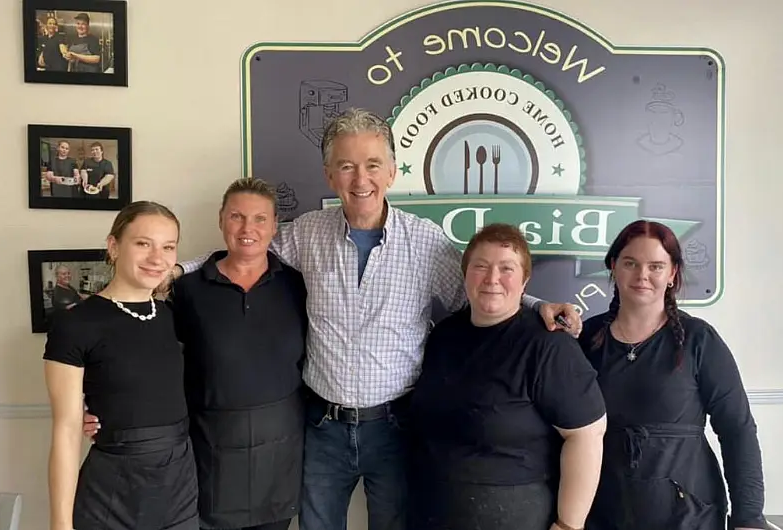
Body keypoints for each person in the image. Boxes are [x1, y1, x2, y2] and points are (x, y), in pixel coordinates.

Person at [163, 108, 581, 530]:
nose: (360, 180)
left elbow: (481, 290)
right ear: (329, 175)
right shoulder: (307, 233)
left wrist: (533, 304)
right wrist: (179, 270)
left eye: (372, 165)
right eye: (346, 166)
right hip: (322, 427)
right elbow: (245, 250)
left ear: (392, 173)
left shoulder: (425, 241)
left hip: (397, 427)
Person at [408, 223, 607, 530]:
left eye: (506, 268)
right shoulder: (444, 336)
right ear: (465, 276)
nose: (492, 278)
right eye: (481, 266)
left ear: (525, 281)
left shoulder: (548, 345)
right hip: (432, 511)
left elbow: (586, 435)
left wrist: (569, 525)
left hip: (515, 514)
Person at [578, 220, 767, 530]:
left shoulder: (699, 340)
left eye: (656, 266)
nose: (642, 275)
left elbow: (738, 430)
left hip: (688, 516)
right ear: (613, 266)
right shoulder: (586, 339)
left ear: (672, 273)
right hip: (601, 513)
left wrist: (749, 518)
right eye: (630, 263)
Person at [44, 201, 199, 530]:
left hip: (180, 484)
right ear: (114, 247)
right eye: (143, 243)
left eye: (168, 247)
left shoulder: (173, 316)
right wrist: (60, 524)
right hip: (112, 488)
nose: (157, 258)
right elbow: (68, 430)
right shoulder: (76, 324)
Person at [169, 178, 308, 530]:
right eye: (236, 217)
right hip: (210, 460)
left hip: (280, 460)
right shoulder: (186, 290)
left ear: (275, 225)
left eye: (260, 219)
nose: (248, 228)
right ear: (220, 220)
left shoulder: (299, 285)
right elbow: (154, 363)